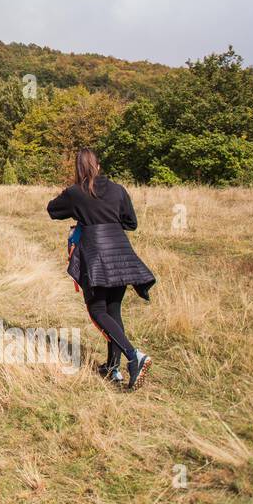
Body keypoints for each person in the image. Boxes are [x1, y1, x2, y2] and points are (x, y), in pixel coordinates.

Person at [47, 148, 156, 390]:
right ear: (99, 165)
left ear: (79, 168)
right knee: (113, 311)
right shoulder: (118, 190)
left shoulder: (76, 193)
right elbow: (131, 223)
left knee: (97, 310)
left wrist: (82, 215)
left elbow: (52, 210)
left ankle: (134, 356)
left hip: (95, 254)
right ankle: (112, 367)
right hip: (121, 252)